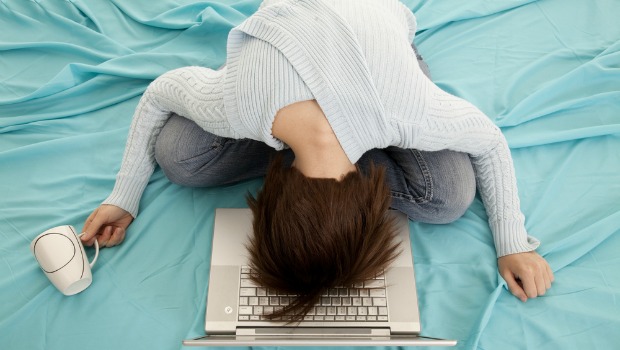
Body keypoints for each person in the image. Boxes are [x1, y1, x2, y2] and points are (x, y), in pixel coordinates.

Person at [81, 0, 553, 318]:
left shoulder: (407, 107)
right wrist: (123, 196)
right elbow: (160, 92)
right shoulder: (235, 102)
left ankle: (370, 68)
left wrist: (512, 240)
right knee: (179, 159)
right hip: (284, 49)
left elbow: (489, 140)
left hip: (372, 45)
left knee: (448, 198)